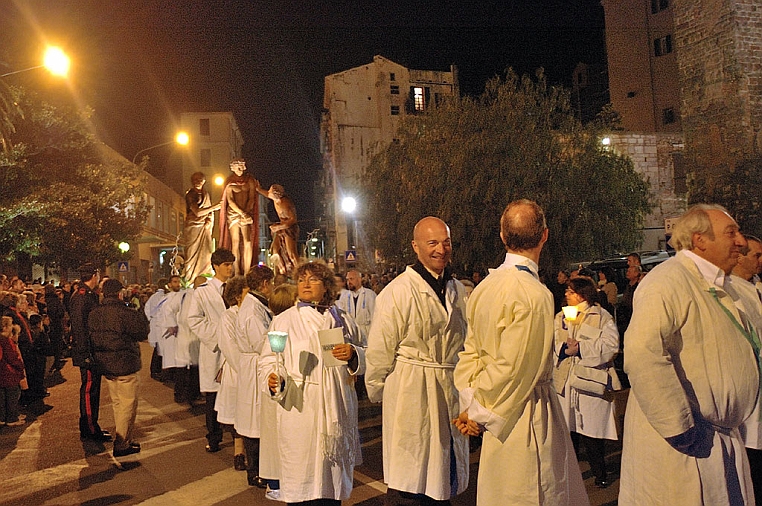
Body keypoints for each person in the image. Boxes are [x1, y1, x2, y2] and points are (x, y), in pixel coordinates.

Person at [453, 199, 589, 505]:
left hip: (493, 409)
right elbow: (515, 368)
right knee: (534, 491)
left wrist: (470, 402)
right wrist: (476, 411)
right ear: (544, 236)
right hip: (525, 412)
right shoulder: (535, 294)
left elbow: (471, 353)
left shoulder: (485, 288)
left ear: (502, 237)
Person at [619, 204, 757, 505]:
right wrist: (680, 428)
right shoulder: (667, 282)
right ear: (700, 240)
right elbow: (644, 353)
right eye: (730, 233)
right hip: (686, 446)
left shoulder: (732, 287)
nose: (742, 242)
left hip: (722, 439)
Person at [366, 216, 470, 505]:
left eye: (446, 242)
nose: (441, 249)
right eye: (432, 242)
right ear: (416, 246)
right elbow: (379, 350)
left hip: (448, 384)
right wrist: (381, 391)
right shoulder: (398, 291)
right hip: (411, 389)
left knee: (443, 470)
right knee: (412, 472)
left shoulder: (457, 289)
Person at [261, 261, 364, 505]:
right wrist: (275, 378)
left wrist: (353, 354)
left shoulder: (344, 320)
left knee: (331, 482)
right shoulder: (284, 321)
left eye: (313, 279)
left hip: (336, 404)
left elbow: (364, 350)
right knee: (302, 477)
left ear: (327, 285)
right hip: (301, 406)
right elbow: (269, 360)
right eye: (301, 280)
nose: (306, 284)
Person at [553, 276, 621, 488]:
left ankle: (600, 474)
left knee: (592, 434)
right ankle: (571, 477)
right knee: (567, 432)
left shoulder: (601, 316)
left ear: (582, 294)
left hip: (589, 384)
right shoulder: (561, 316)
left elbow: (611, 345)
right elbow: (553, 340)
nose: (566, 294)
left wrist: (581, 348)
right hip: (565, 381)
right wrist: (562, 349)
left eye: (571, 291)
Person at [88, 279, 150, 457]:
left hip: (105, 364)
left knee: (117, 403)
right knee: (127, 404)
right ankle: (122, 442)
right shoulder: (125, 312)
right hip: (124, 364)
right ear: (120, 293)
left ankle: (125, 438)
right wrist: (140, 313)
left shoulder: (95, 313)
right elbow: (141, 332)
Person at [187, 248, 235, 453]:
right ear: (215, 266)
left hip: (235, 348)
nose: (230, 268)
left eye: (232, 264)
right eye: (226, 265)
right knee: (213, 397)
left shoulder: (237, 288)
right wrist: (216, 336)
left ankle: (238, 436)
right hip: (214, 349)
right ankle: (214, 436)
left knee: (235, 392)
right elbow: (193, 319)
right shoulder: (202, 291)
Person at [234, 265, 274, 490]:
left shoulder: (256, 305)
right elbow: (262, 342)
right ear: (265, 284)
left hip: (257, 364)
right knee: (254, 424)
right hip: (256, 365)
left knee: (258, 422)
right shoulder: (251, 310)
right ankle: (255, 471)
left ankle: (260, 468)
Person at [732, 235, 762, 501]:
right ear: (739, 257)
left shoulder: (758, 288)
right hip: (750, 397)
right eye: (757, 255)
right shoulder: (731, 293)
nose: (761, 261)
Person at [70, 266, 111, 442]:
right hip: (87, 352)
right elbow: (80, 327)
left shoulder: (87, 294)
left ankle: (91, 425)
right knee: (89, 391)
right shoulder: (81, 296)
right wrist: (85, 352)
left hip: (91, 350)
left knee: (93, 390)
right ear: (94, 276)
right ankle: (90, 428)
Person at [216, 275, 249, 472]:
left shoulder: (256, 312)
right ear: (237, 296)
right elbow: (229, 346)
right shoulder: (229, 316)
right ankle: (239, 453)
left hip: (252, 371)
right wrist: (245, 371)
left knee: (251, 415)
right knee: (238, 414)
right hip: (238, 371)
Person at [219, 159, 259, 275]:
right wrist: (242, 213)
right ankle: (236, 271)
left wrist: (246, 212)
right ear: (233, 168)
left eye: (241, 167)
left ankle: (247, 271)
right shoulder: (229, 182)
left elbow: (252, 197)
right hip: (234, 214)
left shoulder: (250, 180)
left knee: (247, 241)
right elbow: (230, 201)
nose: (240, 169)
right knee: (235, 242)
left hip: (246, 212)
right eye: (237, 167)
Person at [184, 172, 221, 282]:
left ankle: (204, 274)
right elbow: (197, 212)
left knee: (206, 252)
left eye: (200, 179)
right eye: (195, 179)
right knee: (191, 252)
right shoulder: (190, 194)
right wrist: (214, 207)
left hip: (205, 227)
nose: (197, 181)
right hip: (193, 226)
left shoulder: (206, 194)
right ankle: (190, 277)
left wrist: (209, 219)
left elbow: (208, 211)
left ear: (204, 181)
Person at [257, 184, 299, 276]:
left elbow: (293, 219)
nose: (268, 193)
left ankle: (299, 272)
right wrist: (258, 189)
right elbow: (267, 194)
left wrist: (279, 227)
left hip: (289, 228)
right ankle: (282, 269)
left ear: (275, 194)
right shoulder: (275, 199)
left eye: (270, 191)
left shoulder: (284, 203)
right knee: (275, 250)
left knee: (291, 253)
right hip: (281, 227)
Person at [336, 269, 376, 342]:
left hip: (367, 335)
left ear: (359, 279)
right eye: (347, 280)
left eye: (351, 279)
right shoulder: (344, 296)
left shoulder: (370, 295)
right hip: (352, 337)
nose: (349, 282)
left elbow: (375, 316)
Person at [0, 316, 26, 427]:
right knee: (12, 396)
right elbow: (12, 357)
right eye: (10, 325)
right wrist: (20, 365)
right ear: (5, 327)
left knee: (3, 397)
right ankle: (12, 418)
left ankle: (3, 417)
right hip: (9, 372)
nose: (12, 327)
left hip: (3, 372)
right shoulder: (5, 340)